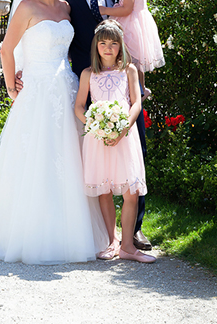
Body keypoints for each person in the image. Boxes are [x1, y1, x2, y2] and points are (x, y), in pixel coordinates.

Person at [0, 0, 109, 264]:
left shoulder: (65, 7)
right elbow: (7, 49)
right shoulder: (26, 7)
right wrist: (12, 89)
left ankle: (75, 230)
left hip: (67, 90)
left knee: (70, 160)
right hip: (36, 92)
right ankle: (31, 231)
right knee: (37, 158)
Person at [57, 0, 152, 252]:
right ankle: (104, 233)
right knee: (96, 163)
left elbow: (137, 32)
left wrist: (136, 78)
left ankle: (133, 231)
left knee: (134, 155)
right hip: (88, 85)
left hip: (126, 87)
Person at [75, 20, 156, 263]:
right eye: (103, 43)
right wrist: (94, 125)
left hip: (125, 136)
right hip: (98, 138)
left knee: (131, 191)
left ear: (120, 46)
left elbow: (136, 102)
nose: (108, 48)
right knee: (105, 189)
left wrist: (124, 127)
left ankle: (128, 246)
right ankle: (112, 242)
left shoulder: (128, 70)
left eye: (113, 43)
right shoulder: (88, 74)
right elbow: (79, 106)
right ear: (96, 46)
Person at [99, 0, 165, 101]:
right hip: (136, 23)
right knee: (135, 60)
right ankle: (142, 88)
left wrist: (104, 10)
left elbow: (126, 10)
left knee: (131, 59)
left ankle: (139, 89)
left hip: (131, 24)